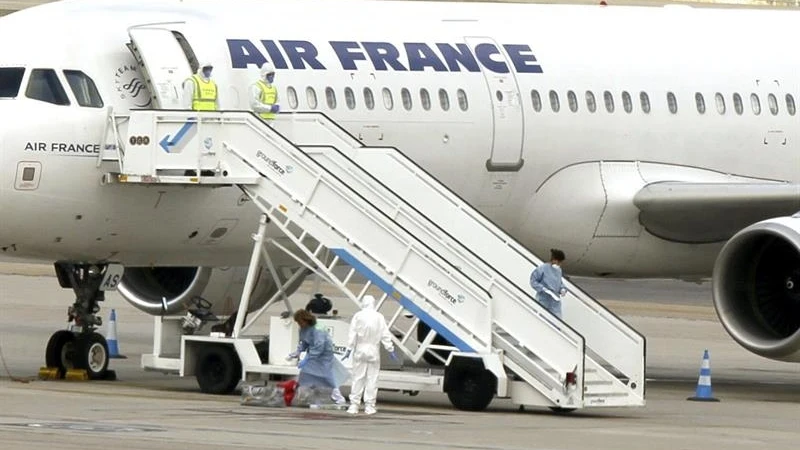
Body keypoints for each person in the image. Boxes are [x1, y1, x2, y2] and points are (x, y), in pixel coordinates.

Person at [343, 295, 397, 415]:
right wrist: (390, 349)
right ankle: (370, 406)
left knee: (357, 378)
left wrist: (348, 350)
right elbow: (385, 334)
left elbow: (352, 335)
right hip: (373, 350)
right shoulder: (379, 317)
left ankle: (354, 405)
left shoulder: (358, 316)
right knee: (372, 379)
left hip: (360, 349)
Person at [286, 309, 346, 405]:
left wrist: (307, 359)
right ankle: (305, 396)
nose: (299, 324)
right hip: (313, 354)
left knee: (326, 376)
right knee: (307, 374)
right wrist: (298, 351)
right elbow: (304, 341)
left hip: (324, 355)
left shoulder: (318, 329)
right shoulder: (303, 328)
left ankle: (338, 397)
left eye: (300, 322)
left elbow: (319, 346)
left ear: (306, 320)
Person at [530, 249, 567, 319]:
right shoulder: (542, 268)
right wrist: (542, 288)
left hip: (555, 301)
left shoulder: (558, 270)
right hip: (543, 299)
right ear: (554, 260)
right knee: (541, 318)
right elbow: (533, 281)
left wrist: (563, 289)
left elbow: (559, 282)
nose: (559, 264)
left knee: (557, 320)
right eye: (559, 262)